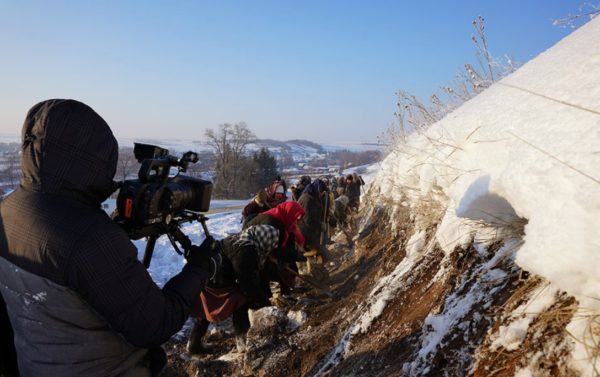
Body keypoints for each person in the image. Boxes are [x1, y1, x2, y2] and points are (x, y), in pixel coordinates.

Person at [0, 99, 219, 377]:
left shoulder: (7, 210)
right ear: (91, 157)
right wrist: (200, 267)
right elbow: (155, 325)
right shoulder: (87, 237)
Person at [187, 223, 285, 354]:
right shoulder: (245, 251)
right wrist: (265, 305)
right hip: (216, 279)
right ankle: (242, 342)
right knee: (241, 300)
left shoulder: (243, 239)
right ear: (265, 239)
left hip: (206, 273)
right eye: (271, 243)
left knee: (203, 308)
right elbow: (248, 285)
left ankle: (193, 345)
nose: (271, 247)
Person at [297, 179, 332, 262]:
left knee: (320, 251)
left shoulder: (313, 196)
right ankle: (319, 268)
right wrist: (320, 224)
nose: (323, 194)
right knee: (320, 252)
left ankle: (321, 267)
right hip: (303, 232)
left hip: (310, 231)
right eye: (322, 192)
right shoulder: (307, 199)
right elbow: (307, 220)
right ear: (317, 190)